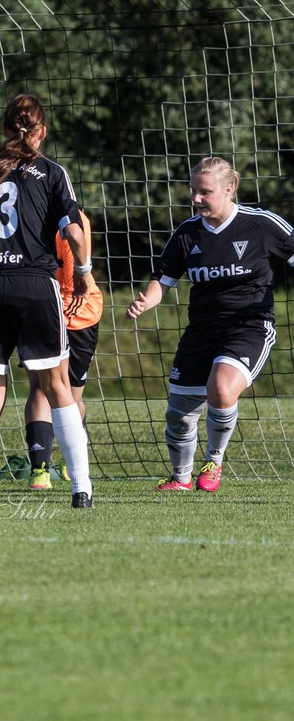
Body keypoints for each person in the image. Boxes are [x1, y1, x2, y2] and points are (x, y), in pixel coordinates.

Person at [0, 94, 96, 510]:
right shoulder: (51, 172)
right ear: (41, 132)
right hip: (35, 285)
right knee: (58, 386)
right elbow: (75, 234)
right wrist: (82, 273)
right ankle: (81, 489)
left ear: (5, 130)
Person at [127, 156, 294, 492]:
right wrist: (147, 300)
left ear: (229, 189)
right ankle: (180, 478)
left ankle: (213, 463)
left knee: (221, 386)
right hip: (201, 331)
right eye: (193, 191)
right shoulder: (188, 233)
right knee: (179, 415)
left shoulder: (260, 224)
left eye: (204, 192)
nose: (196, 199)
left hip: (249, 325)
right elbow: (165, 278)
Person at [23, 207, 104, 489]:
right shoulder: (71, 217)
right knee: (48, 390)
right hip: (55, 308)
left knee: (57, 391)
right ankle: (42, 469)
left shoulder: (67, 220)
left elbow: (73, 283)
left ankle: (66, 464)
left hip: (72, 312)